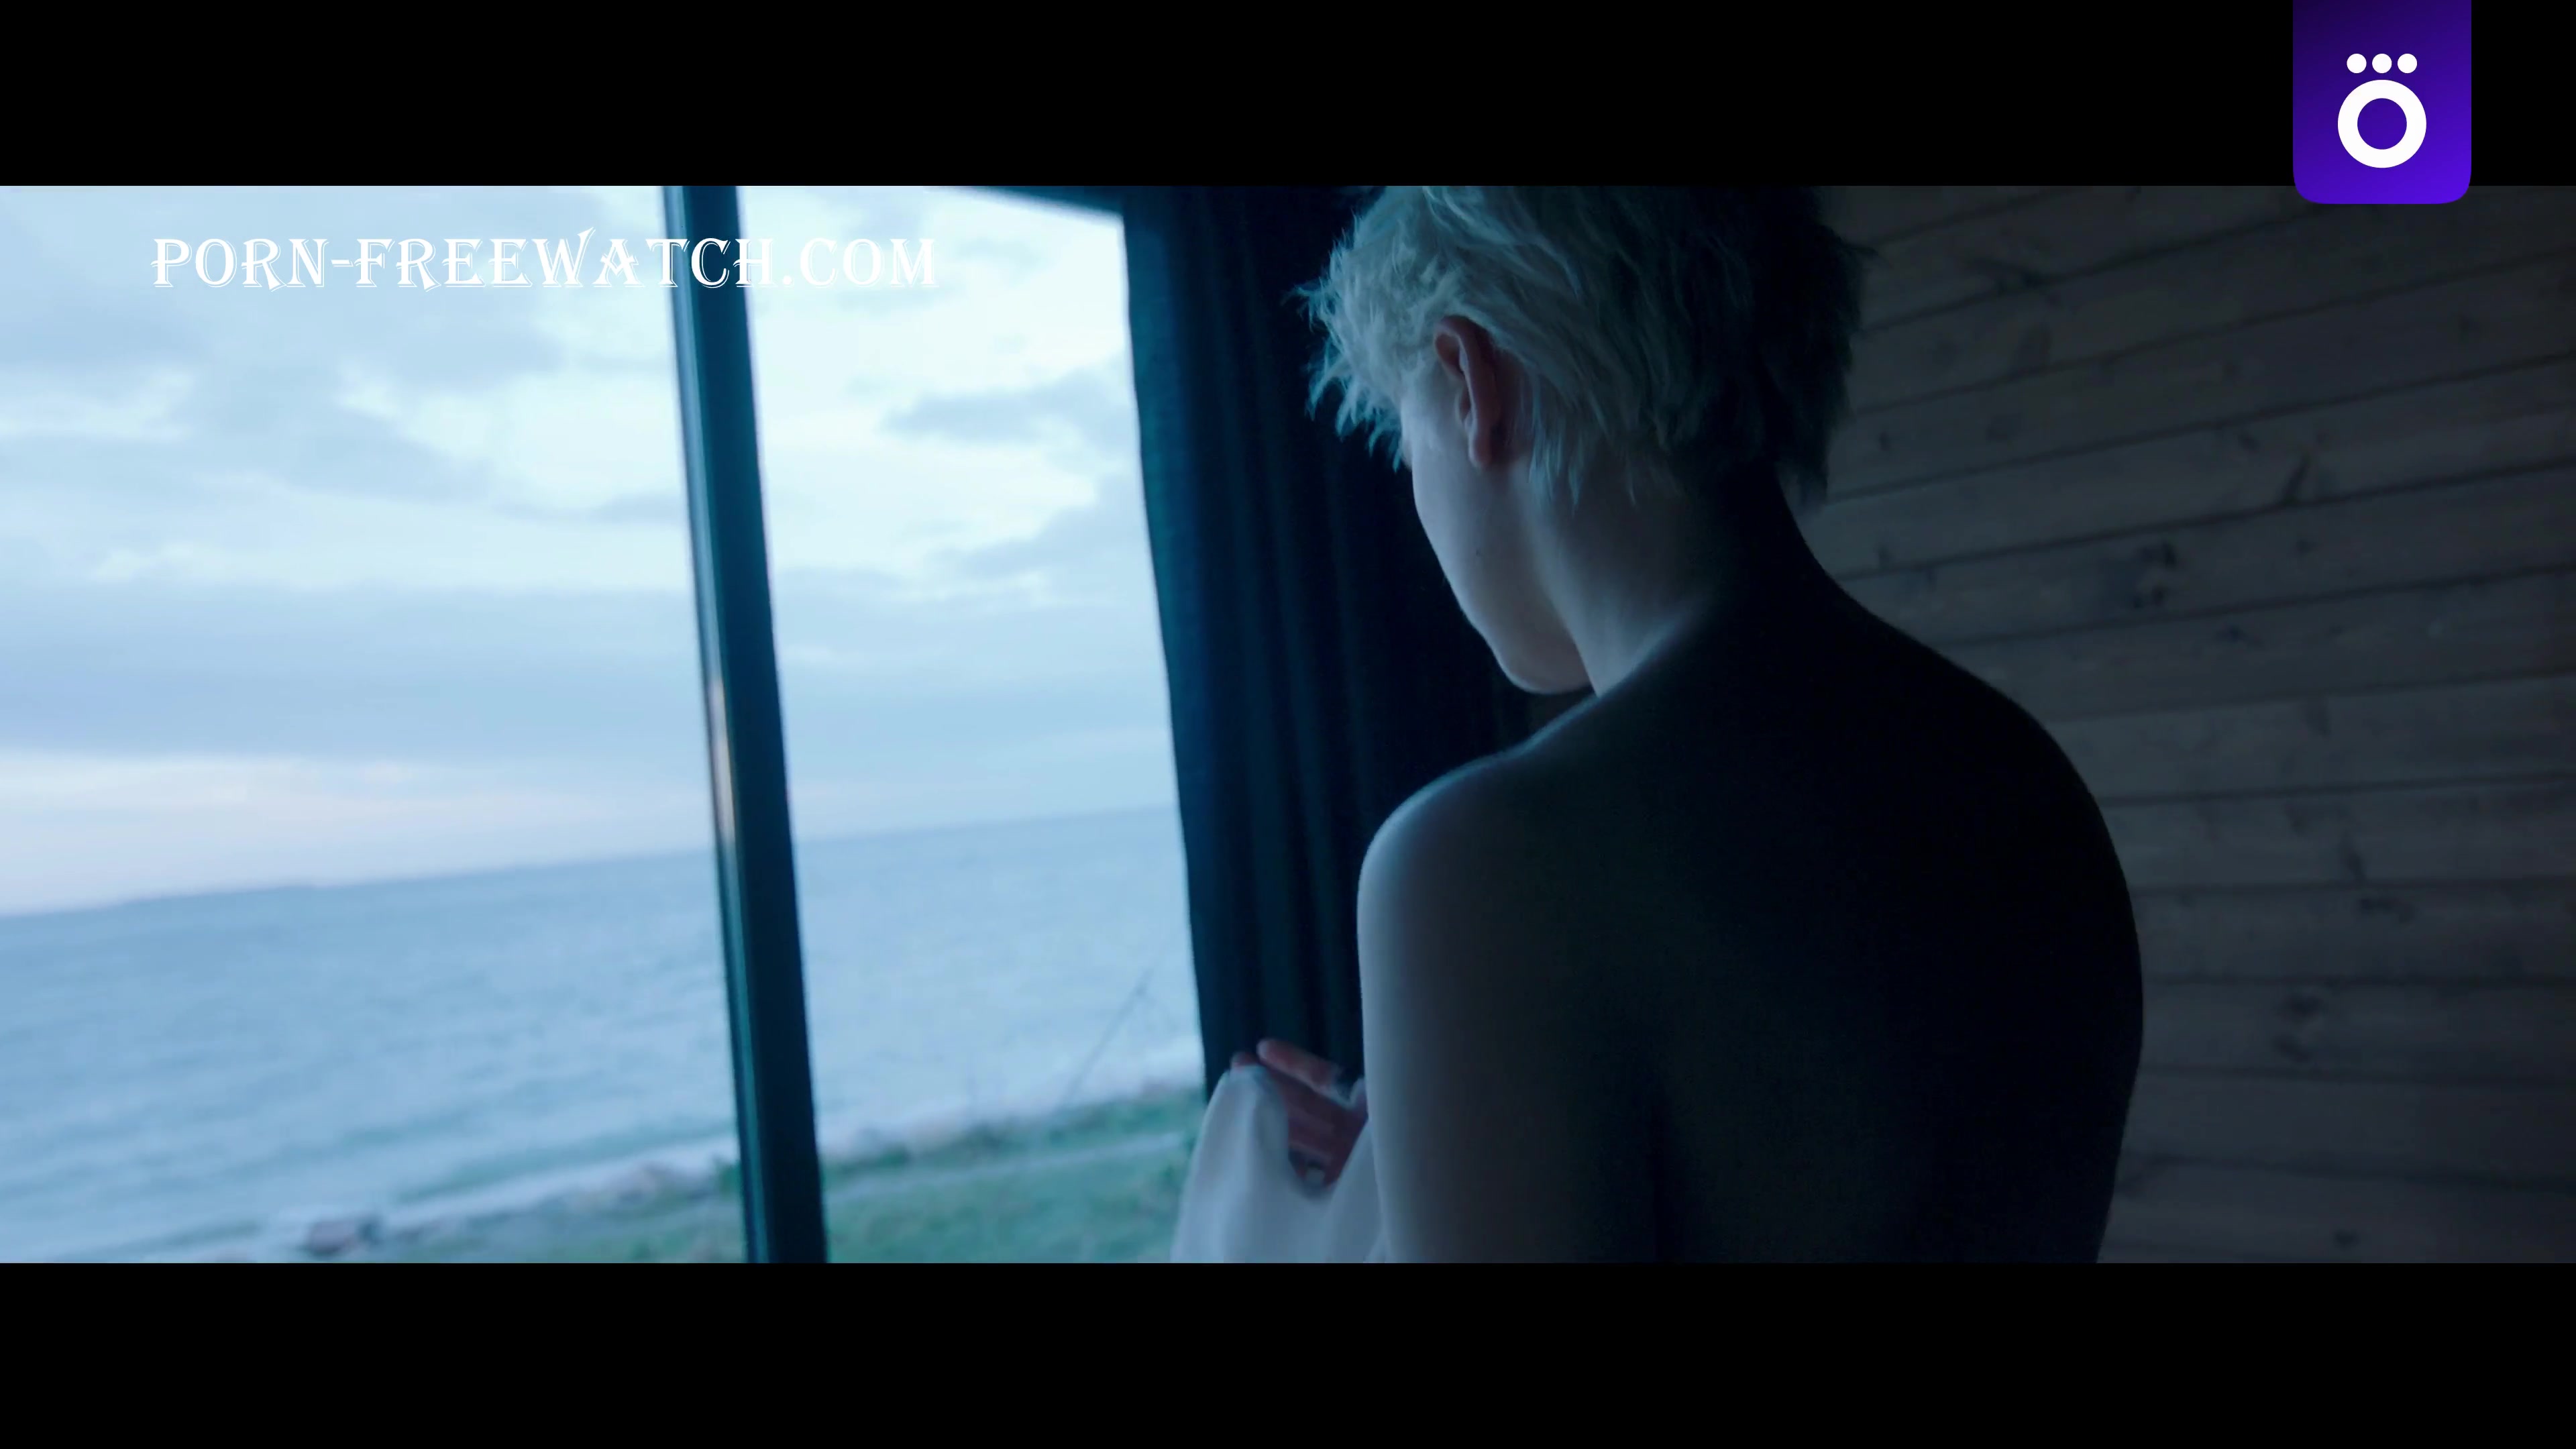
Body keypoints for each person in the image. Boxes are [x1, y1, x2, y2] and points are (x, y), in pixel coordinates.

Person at [1181, 186, 2143, 1263]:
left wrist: (1258, 1222)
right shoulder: (2022, 778)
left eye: (1410, 454)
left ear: (1470, 382)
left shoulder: (1490, 860)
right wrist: (1449, 1158)